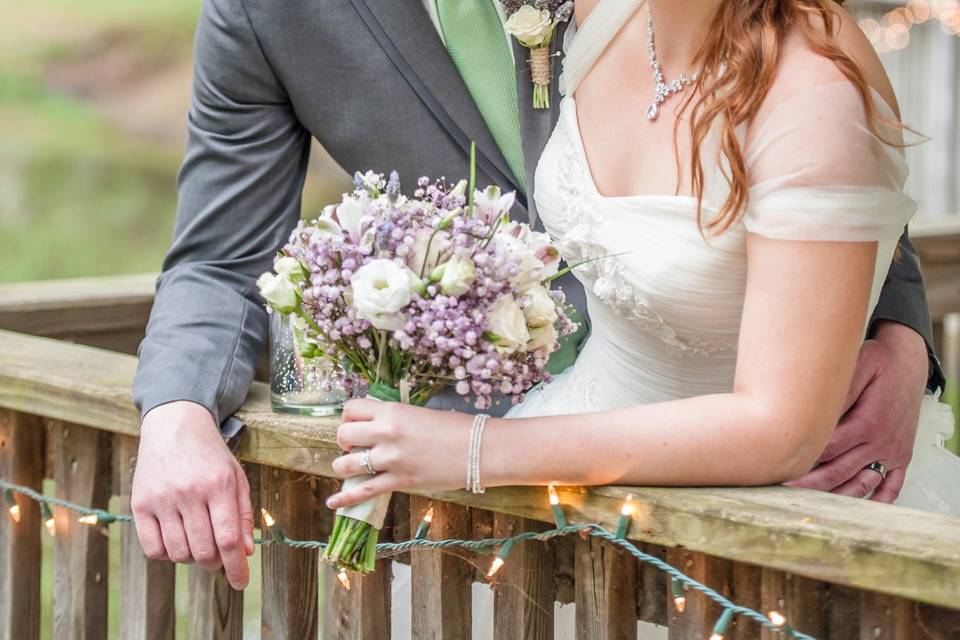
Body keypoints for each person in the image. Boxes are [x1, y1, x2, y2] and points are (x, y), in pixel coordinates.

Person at [131, 0, 948, 592]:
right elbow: (218, 257)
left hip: (767, 491)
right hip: (485, 513)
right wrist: (176, 413)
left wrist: (900, 332)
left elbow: (818, 146)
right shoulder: (267, 13)